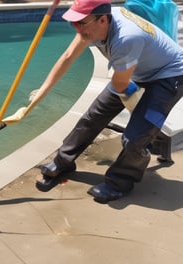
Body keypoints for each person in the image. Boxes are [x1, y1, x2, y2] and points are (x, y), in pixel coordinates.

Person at [28, 0, 183, 203]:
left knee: (135, 137)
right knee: (92, 117)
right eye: (73, 23)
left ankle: (120, 181)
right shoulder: (93, 25)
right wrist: (42, 93)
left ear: (102, 20)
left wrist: (138, 112)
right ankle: (63, 161)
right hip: (137, 70)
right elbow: (67, 56)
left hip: (170, 76)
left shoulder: (126, 38)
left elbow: (120, 85)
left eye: (81, 23)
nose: (77, 28)